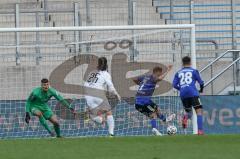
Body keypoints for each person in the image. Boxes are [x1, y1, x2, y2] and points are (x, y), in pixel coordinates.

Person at [133, 65, 175, 136]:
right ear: (157, 72)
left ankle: (156, 128)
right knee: (155, 111)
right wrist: (168, 70)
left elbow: (134, 79)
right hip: (144, 100)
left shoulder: (145, 77)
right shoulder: (153, 77)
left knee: (153, 114)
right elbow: (159, 79)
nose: (160, 75)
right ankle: (164, 120)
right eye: (160, 73)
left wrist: (141, 84)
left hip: (137, 103)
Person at [84, 57, 121, 136]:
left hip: (88, 95)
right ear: (106, 65)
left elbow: (85, 84)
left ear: (98, 64)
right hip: (98, 94)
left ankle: (92, 117)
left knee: (99, 117)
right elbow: (110, 86)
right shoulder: (105, 74)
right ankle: (111, 134)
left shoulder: (92, 73)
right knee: (109, 113)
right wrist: (117, 94)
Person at [172, 56, 204, 135]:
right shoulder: (194, 71)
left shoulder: (178, 73)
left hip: (183, 94)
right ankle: (200, 131)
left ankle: (185, 118)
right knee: (198, 111)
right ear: (190, 63)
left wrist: (181, 89)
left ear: (182, 63)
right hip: (193, 93)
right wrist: (201, 89)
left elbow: (174, 85)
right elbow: (201, 82)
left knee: (189, 112)